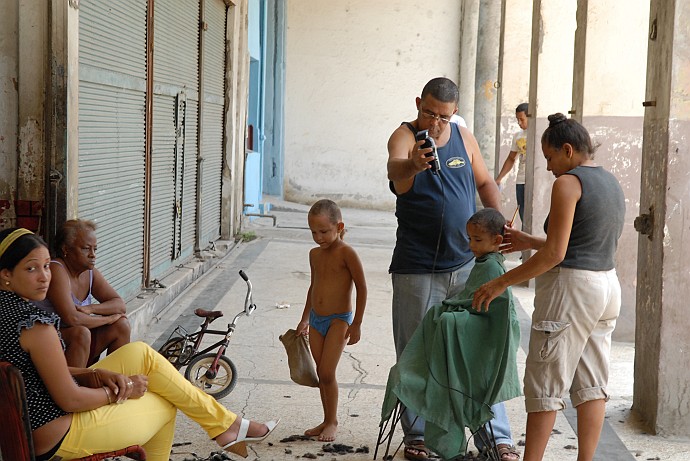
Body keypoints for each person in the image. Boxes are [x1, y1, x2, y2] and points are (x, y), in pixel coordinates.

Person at [0, 228, 279, 460]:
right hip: (56, 434)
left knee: (140, 353)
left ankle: (226, 425)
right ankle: (225, 426)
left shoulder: (10, 312)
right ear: (6, 274)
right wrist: (123, 391)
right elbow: (70, 400)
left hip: (27, 427)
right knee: (166, 403)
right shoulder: (36, 324)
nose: (44, 276)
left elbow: (38, 372)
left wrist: (95, 374)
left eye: (47, 266)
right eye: (31, 268)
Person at [473, 113, 625, 461]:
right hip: (606, 287)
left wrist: (501, 282)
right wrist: (529, 240)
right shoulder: (609, 181)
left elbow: (557, 254)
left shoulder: (568, 183)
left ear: (568, 150)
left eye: (550, 158)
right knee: (591, 385)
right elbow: (577, 243)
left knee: (545, 384)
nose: (549, 168)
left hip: (572, 291)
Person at [386, 77, 517, 461]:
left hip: (465, 266)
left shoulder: (463, 137)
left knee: (477, 351)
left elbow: (486, 182)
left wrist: (502, 226)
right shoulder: (404, 137)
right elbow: (396, 168)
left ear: (454, 112)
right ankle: (418, 439)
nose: (436, 123)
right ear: (417, 104)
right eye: (429, 112)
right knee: (416, 352)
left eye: (443, 116)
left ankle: (496, 439)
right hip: (417, 270)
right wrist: (412, 163)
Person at [381, 207, 521, 460]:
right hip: (422, 267)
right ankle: (419, 437)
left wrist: (450, 319)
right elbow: (470, 301)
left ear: (498, 241)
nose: (470, 246)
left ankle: (496, 440)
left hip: (478, 358)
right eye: (469, 239)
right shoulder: (482, 263)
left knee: (442, 322)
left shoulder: (491, 268)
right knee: (409, 365)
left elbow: (492, 318)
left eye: (477, 240)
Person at [295, 199, 367, 442]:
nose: (318, 238)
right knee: (321, 373)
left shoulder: (347, 253)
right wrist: (305, 318)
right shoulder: (314, 254)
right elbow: (313, 287)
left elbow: (362, 287)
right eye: (313, 232)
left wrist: (356, 322)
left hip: (339, 320)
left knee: (327, 371)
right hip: (317, 319)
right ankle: (326, 420)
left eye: (324, 231)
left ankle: (333, 421)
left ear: (339, 226)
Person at [33, 219, 130, 367]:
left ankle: (113, 382)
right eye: (86, 249)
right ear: (66, 249)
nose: (92, 255)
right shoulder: (56, 269)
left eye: (94, 249)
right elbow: (73, 318)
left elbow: (119, 305)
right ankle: (75, 386)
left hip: (80, 342)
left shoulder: (90, 273)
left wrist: (91, 309)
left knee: (122, 325)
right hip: (52, 345)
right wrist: (107, 319)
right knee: (81, 332)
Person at [495, 103, 529, 226]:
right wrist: (499, 178)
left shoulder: (539, 134)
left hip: (533, 180)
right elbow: (511, 159)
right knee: (523, 213)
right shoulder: (517, 136)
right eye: (517, 119)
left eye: (522, 119)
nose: (519, 123)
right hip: (520, 180)